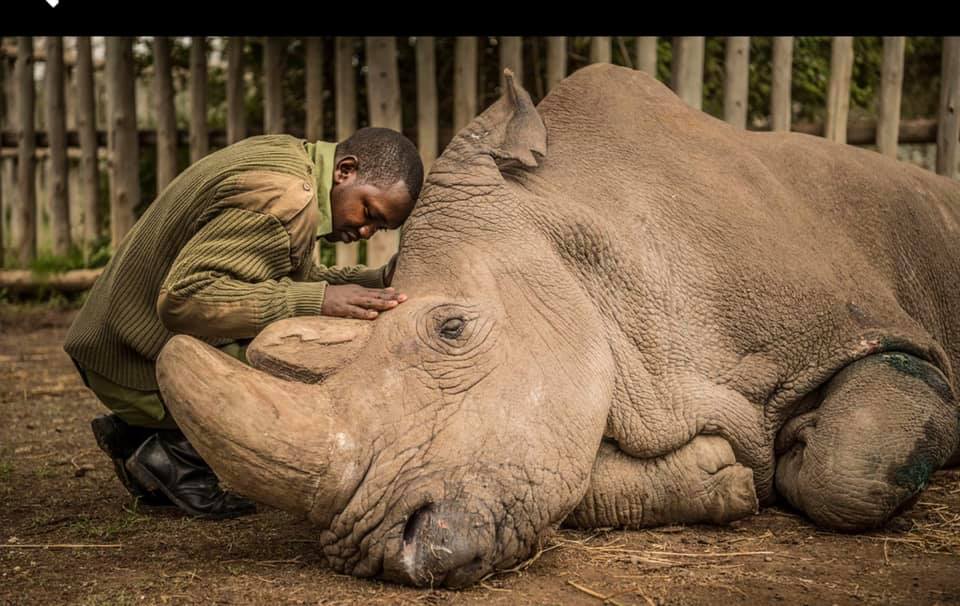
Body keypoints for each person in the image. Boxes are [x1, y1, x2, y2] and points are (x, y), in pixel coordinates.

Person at [64, 128, 424, 519]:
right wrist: (317, 301)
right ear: (346, 171)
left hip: (115, 342)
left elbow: (283, 279)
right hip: (130, 362)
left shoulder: (290, 160)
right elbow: (185, 298)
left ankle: (145, 434)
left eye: (380, 227)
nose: (366, 231)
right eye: (369, 212)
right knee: (312, 361)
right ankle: (171, 451)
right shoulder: (285, 197)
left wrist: (377, 281)